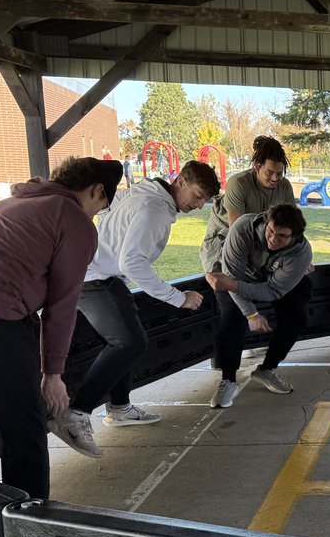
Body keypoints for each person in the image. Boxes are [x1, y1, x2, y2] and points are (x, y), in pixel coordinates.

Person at [49, 161, 221, 459]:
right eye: (196, 196)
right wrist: (178, 298)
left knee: (130, 334)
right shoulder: (155, 210)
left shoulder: (146, 192)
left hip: (100, 274)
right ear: (179, 182)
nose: (198, 205)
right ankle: (75, 414)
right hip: (95, 279)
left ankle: (120, 408)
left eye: (204, 200)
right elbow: (133, 262)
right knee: (129, 341)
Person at [0, 157, 119, 499]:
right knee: (25, 430)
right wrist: (53, 375)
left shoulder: (10, 205)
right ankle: (31, 532)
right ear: (97, 190)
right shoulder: (74, 221)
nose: (94, 216)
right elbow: (62, 304)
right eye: (99, 208)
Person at [204, 204, 312, 409]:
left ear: (294, 237)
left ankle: (267, 369)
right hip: (234, 277)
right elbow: (230, 278)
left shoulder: (302, 253)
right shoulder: (243, 227)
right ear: (266, 222)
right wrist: (250, 313)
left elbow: (274, 291)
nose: (273, 239)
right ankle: (228, 380)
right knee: (230, 318)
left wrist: (250, 308)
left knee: (297, 317)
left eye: (281, 236)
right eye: (271, 231)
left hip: (268, 283)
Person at [200, 136, 295, 273]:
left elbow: (292, 226)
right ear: (257, 167)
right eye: (269, 172)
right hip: (225, 239)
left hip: (262, 238)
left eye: (279, 174)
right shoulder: (238, 183)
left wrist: (298, 258)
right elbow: (238, 230)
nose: (275, 178)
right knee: (225, 283)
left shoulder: (285, 186)